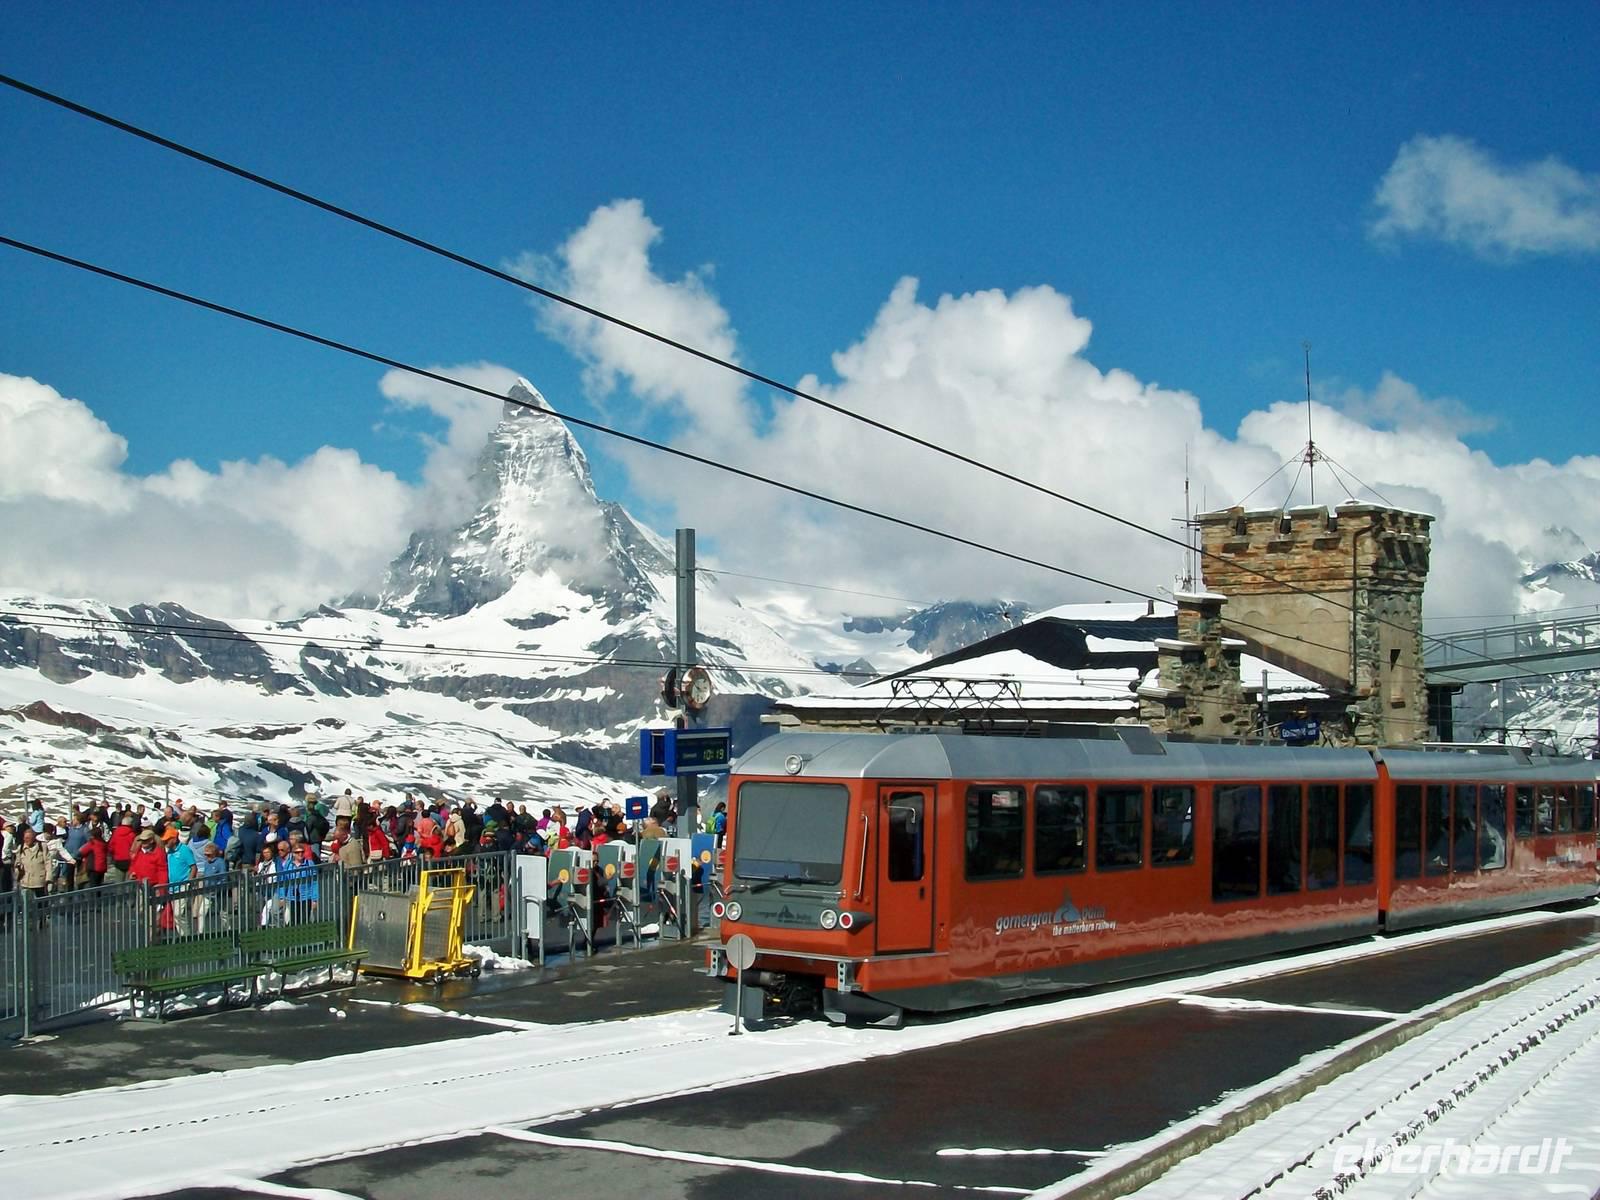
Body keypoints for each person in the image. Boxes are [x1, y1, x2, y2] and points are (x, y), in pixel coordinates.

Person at [14, 826, 50, 899]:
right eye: (24, 838)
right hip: (25, 881)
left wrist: (48, 879)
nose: (25, 840)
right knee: (26, 902)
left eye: (28, 838)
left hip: (39, 881)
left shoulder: (42, 846)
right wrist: (18, 870)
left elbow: (48, 863)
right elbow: (17, 862)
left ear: (34, 838)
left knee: (41, 902)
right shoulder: (20, 848)